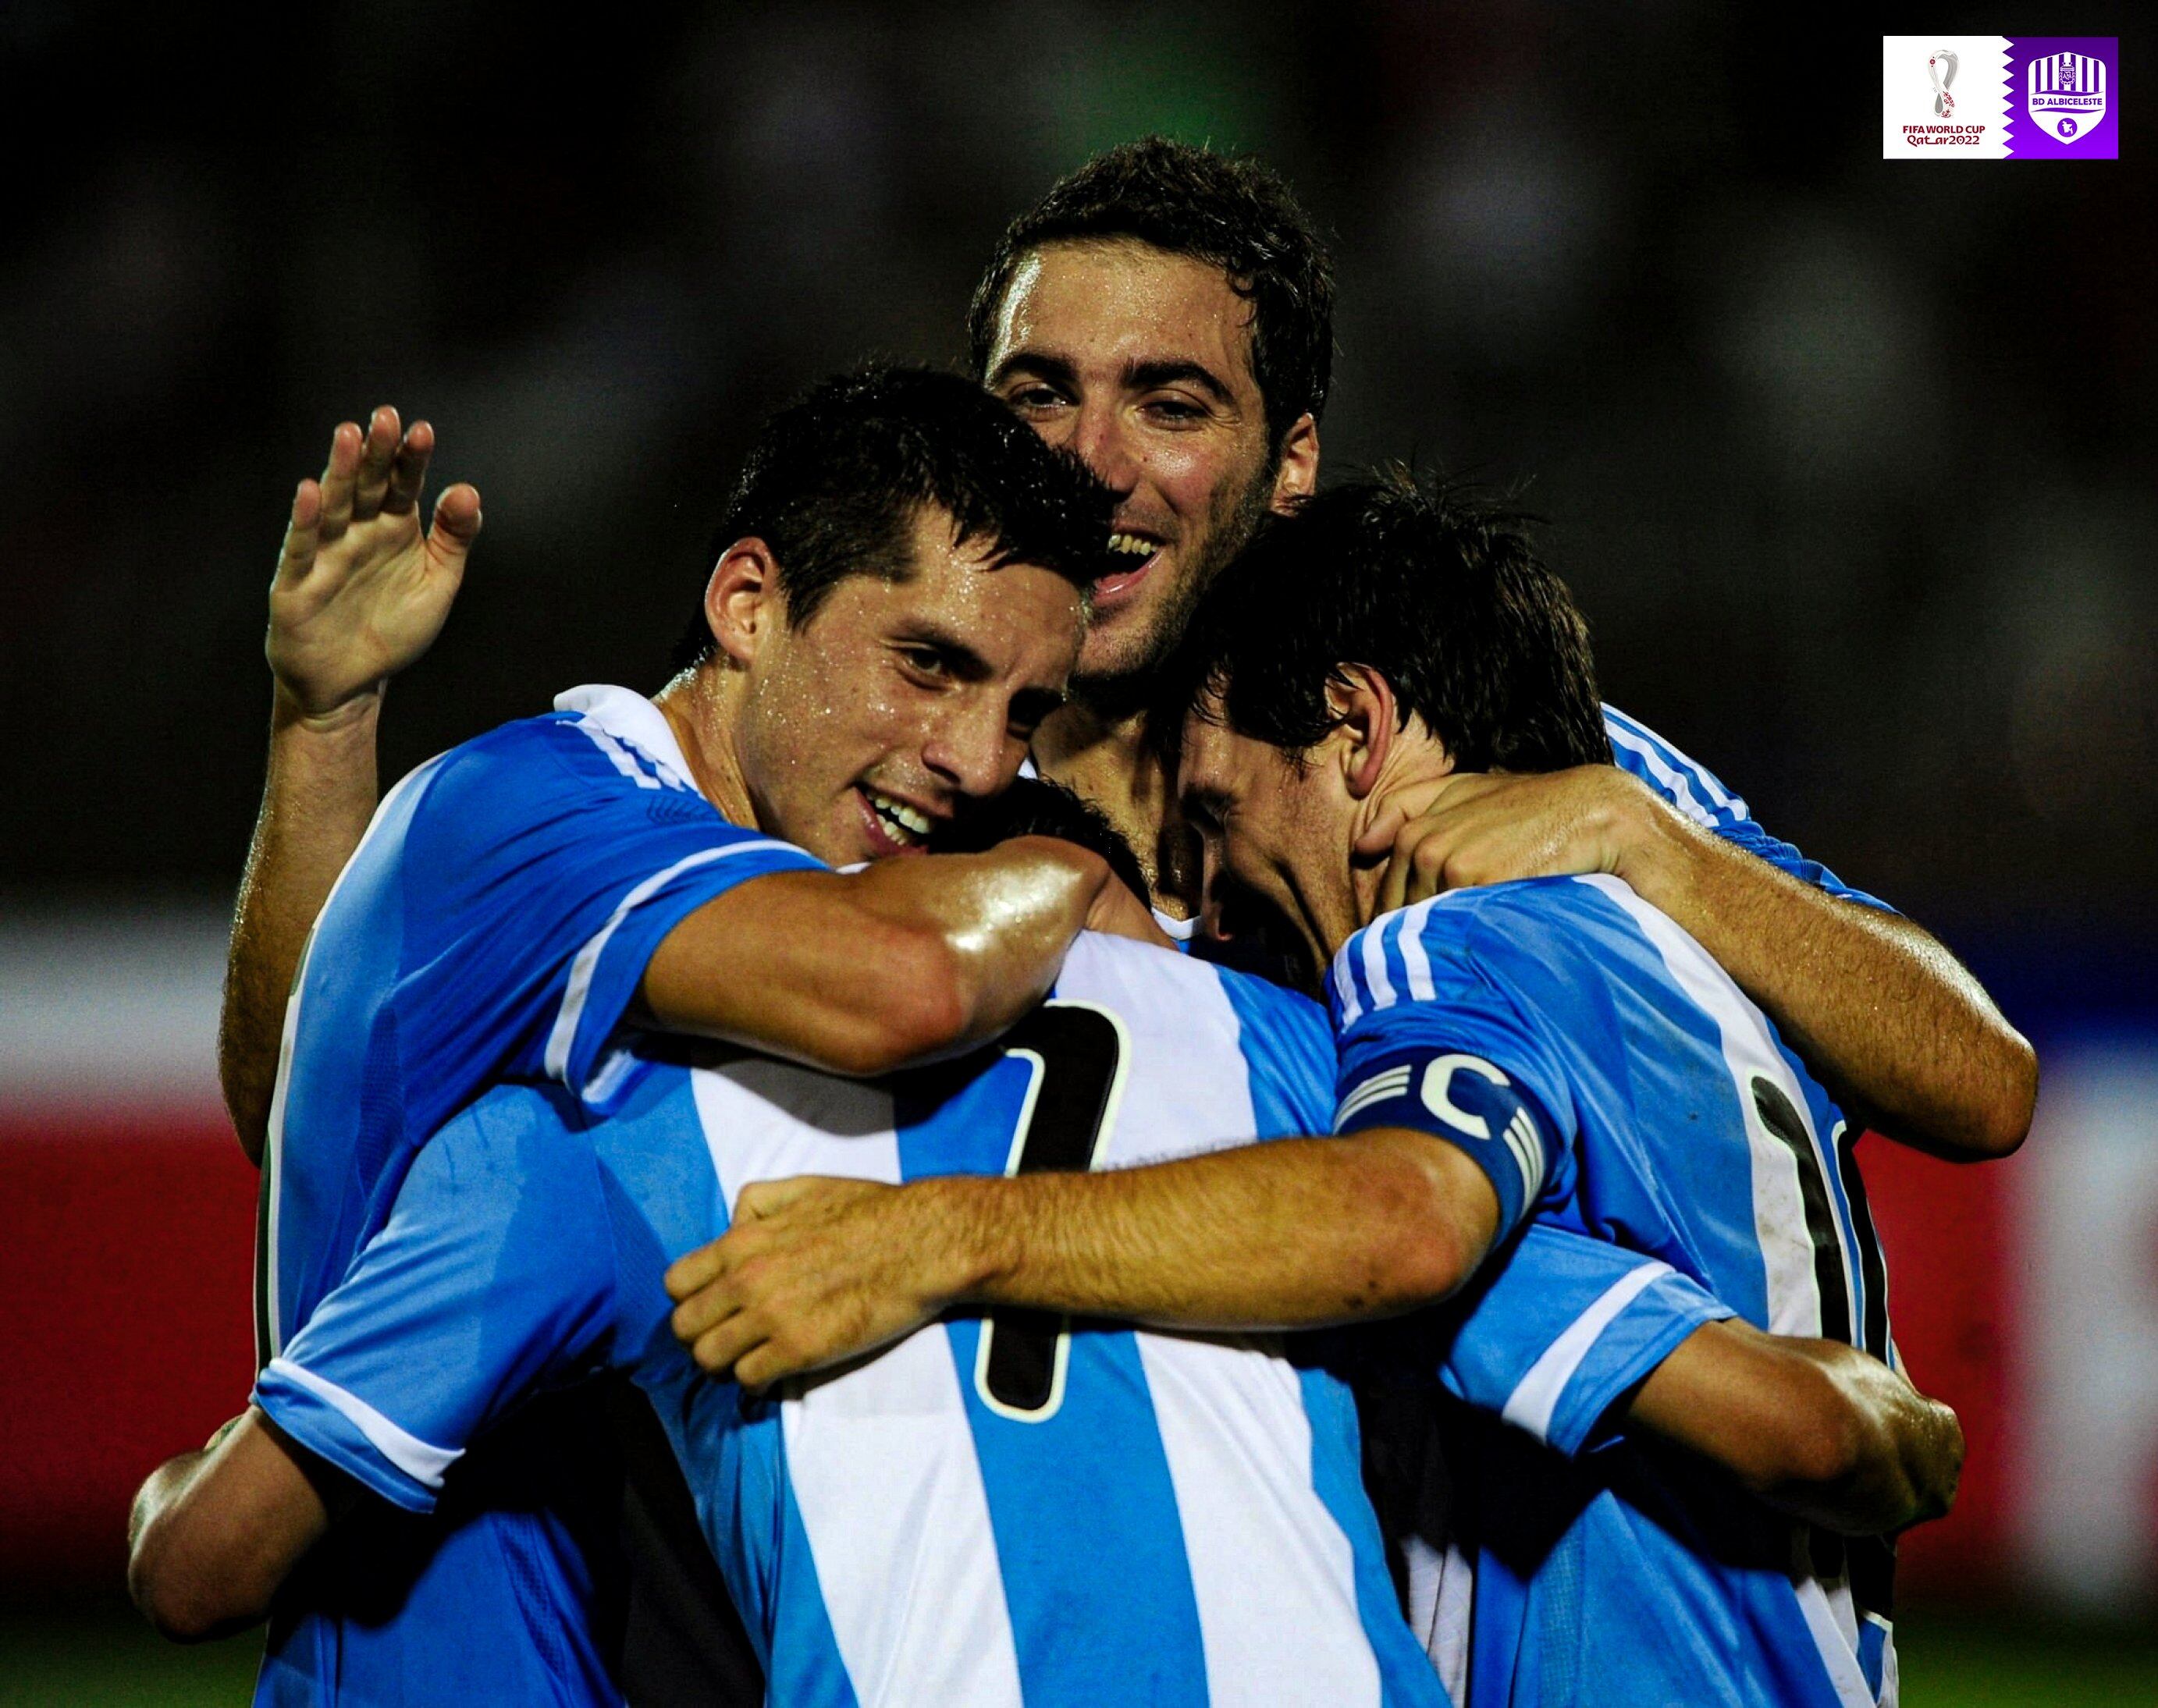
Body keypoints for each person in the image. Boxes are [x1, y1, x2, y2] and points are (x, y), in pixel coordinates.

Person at [137, 781, 1951, 1706]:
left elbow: (207, 1563)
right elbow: (1812, 1437)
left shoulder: (604, 1135)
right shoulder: (1308, 1087)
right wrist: (1890, 1419)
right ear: (1132, 908)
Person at [661, 474, 1964, 1702]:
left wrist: (933, 1235)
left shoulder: (1433, 946)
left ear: (1355, 726)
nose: (1215, 894)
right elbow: (1876, 1433)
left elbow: (1400, 1223)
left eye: (1219, 816)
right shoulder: (1708, 939)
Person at [134, 367, 1150, 1703]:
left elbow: (307, 1082)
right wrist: (1094, 877)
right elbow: (902, 981)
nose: (976, 756)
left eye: (1023, 711)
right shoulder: (556, 814)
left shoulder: (689, 867)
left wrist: (325, 726)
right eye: (929, 665)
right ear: (747, 602)